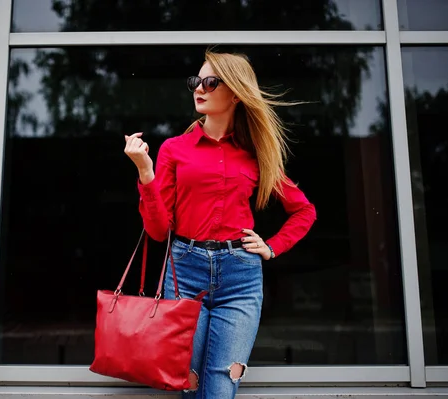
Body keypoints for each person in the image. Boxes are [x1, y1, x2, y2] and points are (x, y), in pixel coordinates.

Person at [123, 50, 316, 399]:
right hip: (185, 272)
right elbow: (157, 230)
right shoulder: (174, 149)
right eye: (195, 81)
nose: (199, 88)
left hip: (240, 278)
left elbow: (304, 211)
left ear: (236, 92)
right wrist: (145, 172)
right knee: (190, 384)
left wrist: (272, 247)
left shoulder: (255, 153)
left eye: (210, 82)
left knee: (221, 387)